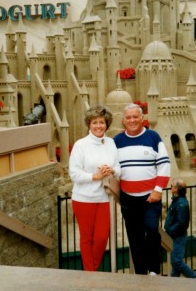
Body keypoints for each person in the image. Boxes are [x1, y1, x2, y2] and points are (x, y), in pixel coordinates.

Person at [113, 103, 170, 275]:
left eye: (135, 117)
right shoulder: (117, 141)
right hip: (128, 198)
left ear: (142, 118)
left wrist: (158, 190)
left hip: (150, 197)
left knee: (152, 230)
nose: (132, 120)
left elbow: (164, 165)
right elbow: (112, 166)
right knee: (135, 239)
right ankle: (140, 275)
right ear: (123, 120)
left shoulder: (153, 137)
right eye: (128, 117)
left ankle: (154, 270)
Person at [69, 105, 121, 271]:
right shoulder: (80, 145)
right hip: (83, 198)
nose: (99, 126)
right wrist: (95, 176)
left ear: (107, 124)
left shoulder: (111, 143)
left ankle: (91, 272)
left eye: (102, 122)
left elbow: (119, 169)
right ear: (89, 125)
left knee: (101, 238)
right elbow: (74, 174)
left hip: (104, 198)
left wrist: (111, 171)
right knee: (87, 238)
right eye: (95, 122)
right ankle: (91, 275)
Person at [164, 179, 196, 279]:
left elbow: (181, 223)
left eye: (172, 186)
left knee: (176, 261)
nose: (171, 187)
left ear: (176, 189)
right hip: (175, 236)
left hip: (178, 236)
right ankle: (174, 282)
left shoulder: (181, 203)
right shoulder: (177, 200)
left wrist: (170, 230)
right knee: (175, 262)